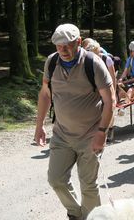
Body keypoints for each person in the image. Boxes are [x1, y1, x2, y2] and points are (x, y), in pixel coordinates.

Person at [34, 24, 115, 220]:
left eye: (67, 45)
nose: (62, 50)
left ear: (78, 42)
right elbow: (45, 94)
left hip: (90, 135)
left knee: (88, 185)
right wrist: (39, 127)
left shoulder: (93, 63)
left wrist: (102, 132)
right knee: (56, 180)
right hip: (62, 134)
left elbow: (110, 100)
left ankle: (92, 218)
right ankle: (77, 213)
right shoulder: (52, 63)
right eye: (58, 46)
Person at [84, 40, 119, 141]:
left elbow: (113, 78)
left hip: (108, 87)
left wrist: (114, 93)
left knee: (109, 108)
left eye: (90, 51)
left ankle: (110, 129)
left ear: (96, 51)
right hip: (96, 89)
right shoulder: (88, 61)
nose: (88, 54)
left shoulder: (106, 59)